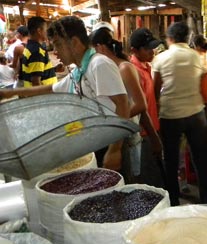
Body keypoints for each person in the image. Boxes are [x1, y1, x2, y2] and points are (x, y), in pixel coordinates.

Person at [0, 16, 129, 172]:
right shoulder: (79, 71)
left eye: (58, 44)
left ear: (74, 42)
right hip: (95, 142)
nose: (55, 51)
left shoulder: (99, 64)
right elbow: (49, 89)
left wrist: (115, 150)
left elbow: (123, 104)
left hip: (111, 143)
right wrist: (9, 93)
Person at [152, 21, 207, 206]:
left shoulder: (161, 58)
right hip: (196, 114)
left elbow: (155, 89)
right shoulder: (197, 57)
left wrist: (159, 107)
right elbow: (203, 86)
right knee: (201, 160)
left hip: (170, 115)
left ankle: (173, 202)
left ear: (170, 39)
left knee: (172, 161)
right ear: (188, 38)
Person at [90, 25, 160, 184]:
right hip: (127, 133)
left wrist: (112, 122)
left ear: (99, 48)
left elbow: (141, 105)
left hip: (133, 135)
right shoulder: (112, 68)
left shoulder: (124, 68)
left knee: (137, 180)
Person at [129, 27, 165, 188]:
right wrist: (153, 136)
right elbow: (141, 109)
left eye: (153, 47)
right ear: (134, 50)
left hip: (152, 130)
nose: (152, 51)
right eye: (147, 48)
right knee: (150, 180)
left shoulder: (146, 66)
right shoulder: (134, 71)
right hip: (144, 133)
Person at [20, 16, 57, 87]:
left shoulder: (29, 47)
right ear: (39, 31)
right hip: (45, 96)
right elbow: (36, 82)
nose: (47, 32)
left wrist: (54, 69)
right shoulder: (37, 51)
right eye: (46, 29)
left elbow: (36, 71)